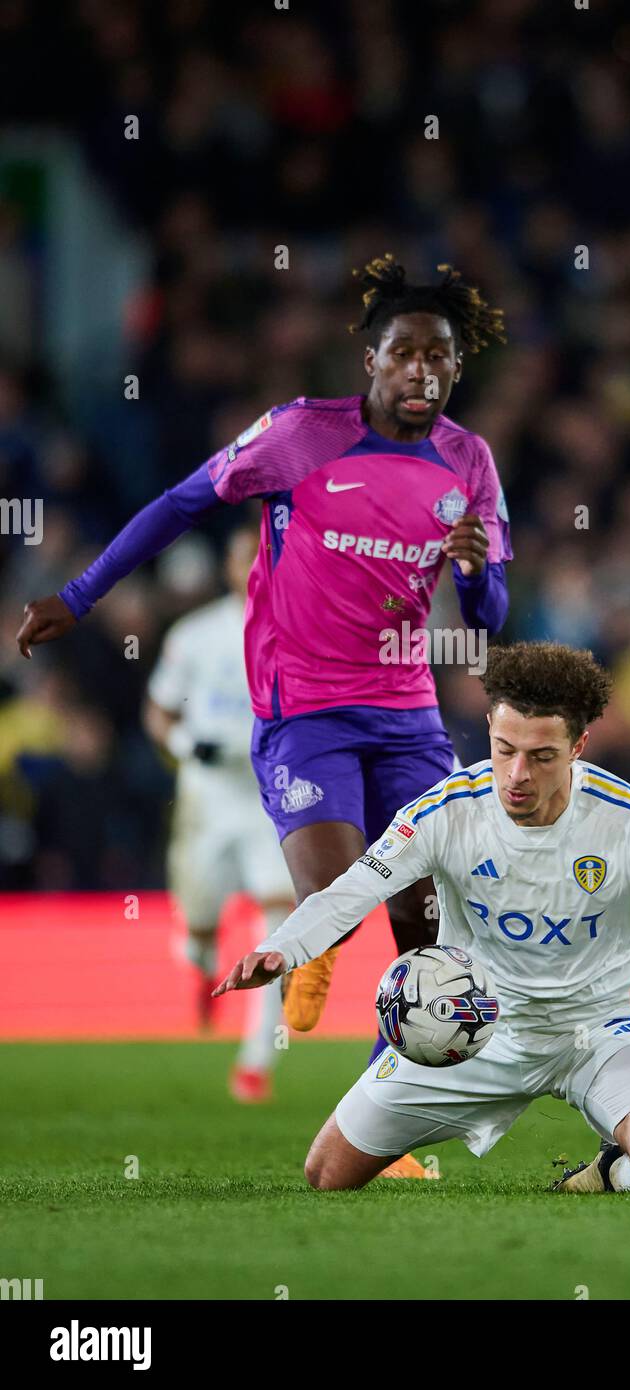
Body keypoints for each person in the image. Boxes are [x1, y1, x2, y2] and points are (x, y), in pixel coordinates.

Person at [16, 254, 511, 1177]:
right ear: (370, 359)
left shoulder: (468, 461)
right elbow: (179, 505)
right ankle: (322, 939)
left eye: (440, 358)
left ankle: (386, 1126)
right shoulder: (297, 437)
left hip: (407, 714)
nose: (423, 372)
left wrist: (480, 572)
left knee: (429, 927)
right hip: (307, 713)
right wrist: (78, 598)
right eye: (405, 353)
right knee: (333, 901)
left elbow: (488, 621)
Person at [214, 641, 630, 1195]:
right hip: (474, 1026)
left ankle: (610, 1169)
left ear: (579, 744)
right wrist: (284, 949)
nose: (517, 774)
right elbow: (350, 891)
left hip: (603, 1028)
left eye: (542, 756)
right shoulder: (447, 811)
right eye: (504, 749)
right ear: (488, 728)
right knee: (327, 1174)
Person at [144, 527, 294, 1103]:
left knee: (277, 923)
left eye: (266, 557)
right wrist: (183, 744)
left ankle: (255, 1062)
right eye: (245, 558)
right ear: (229, 567)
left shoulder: (303, 632)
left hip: (268, 793)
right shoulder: (196, 634)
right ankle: (202, 956)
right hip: (207, 795)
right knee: (200, 919)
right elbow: (157, 711)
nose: (255, 567)